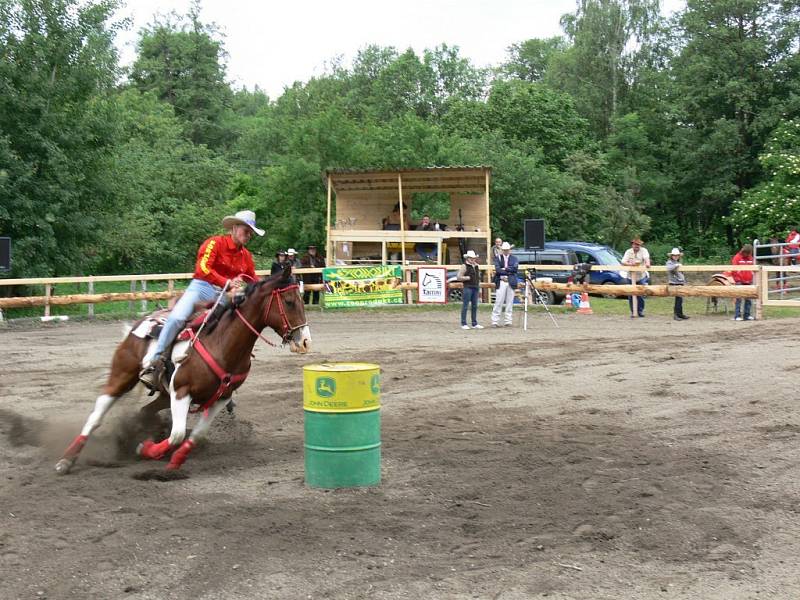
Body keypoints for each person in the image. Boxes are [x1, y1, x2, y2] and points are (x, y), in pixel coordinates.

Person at [139, 210, 264, 389]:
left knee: (231, 328)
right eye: (246, 230)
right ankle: (155, 360)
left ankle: (222, 370)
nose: (249, 234)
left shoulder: (246, 256)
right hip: (202, 288)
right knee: (177, 318)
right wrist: (227, 282)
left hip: (224, 294)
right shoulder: (214, 243)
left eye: (251, 231)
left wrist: (265, 290)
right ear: (235, 228)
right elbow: (203, 268)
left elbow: (252, 279)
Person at [621, 237, 651, 318]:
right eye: (635, 244)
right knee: (631, 294)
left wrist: (647, 263)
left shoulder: (644, 250)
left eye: (638, 244)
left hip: (641, 276)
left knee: (640, 293)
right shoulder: (628, 251)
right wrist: (630, 264)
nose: (637, 246)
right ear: (632, 244)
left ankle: (640, 311)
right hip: (630, 276)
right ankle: (633, 311)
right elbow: (623, 261)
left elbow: (646, 258)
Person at [492, 242, 519, 327]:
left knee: (510, 302)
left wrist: (505, 269)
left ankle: (508, 321)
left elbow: (515, 269)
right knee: (498, 301)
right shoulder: (498, 258)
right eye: (504, 250)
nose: (506, 251)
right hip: (501, 281)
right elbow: (498, 270)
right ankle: (495, 321)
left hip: (510, 281)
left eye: (507, 250)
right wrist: (508, 270)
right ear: (502, 250)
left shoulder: (514, 258)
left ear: (509, 250)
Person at [457, 250, 483, 330]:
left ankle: (474, 323)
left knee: (474, 305)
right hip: (468, 287)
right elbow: (458, 277)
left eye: (473, 258)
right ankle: (463, 323)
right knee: (465, 305)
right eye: (471, 258)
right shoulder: (464, 266)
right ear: (468, 258)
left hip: (475, 287)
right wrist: (467, 278)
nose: (473, 259)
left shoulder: (476, 266)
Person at [732, 243, 755, 321]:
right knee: (738, 298)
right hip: (739, 281)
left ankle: (747, 315)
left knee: (748, 298)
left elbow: (752, 268)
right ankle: (737, 315)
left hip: (748, 280)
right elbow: (734, 270)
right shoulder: (737, 258)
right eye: (747, 253)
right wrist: (737, 279)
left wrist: (751, 277)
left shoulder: (750, 258)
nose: (747, 254)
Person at [666, 248, 690, 321]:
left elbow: (681, 273)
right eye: (674, 255)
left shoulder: (679, 262)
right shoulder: (670, 262)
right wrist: (676, 265)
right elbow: (669, 268)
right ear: (672, 256)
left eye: (677, 255)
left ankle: (680, 314)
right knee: (678, 299)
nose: (676, 256)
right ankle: (676, 315)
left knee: (680, 299)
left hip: (680, 282)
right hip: (674, 282)